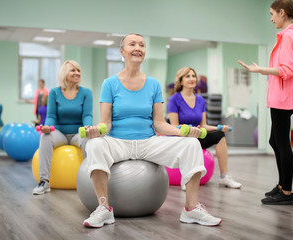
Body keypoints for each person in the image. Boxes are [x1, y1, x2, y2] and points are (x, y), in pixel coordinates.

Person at [82, 34, 221, 228]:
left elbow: (159, 123)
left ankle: (191, 209)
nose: (138, 47)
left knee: (191, 144)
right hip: (118, 142)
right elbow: (106, 123)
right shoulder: (110, 84)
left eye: (141, 45)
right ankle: (104, 209)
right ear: (122, 51)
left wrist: (184, 132)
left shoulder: (153, 84)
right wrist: (97, 130)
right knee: (94, 144)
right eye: (132, 44)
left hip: (148, 142)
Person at [238, 0, 293, 205]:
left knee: (282, 143)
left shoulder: (289, 37)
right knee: (274, 141)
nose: (271, 19)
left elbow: (287, 70)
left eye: (272, 14)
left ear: (282, 13)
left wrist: (259, 69)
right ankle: (281, 186)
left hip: (284, 98)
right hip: (284, 96)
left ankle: (287, 192)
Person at [168, 67, 241, 189]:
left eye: (193, 76)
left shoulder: (200, 100)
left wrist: (220, 128)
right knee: (190, 140)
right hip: (180, 138)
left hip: (197, 136)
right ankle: (187, 179)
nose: (192, 79)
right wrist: (189, 129)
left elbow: (203, 126)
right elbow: (174, 126)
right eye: (187, 76)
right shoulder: (174, 99)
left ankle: (224, 177)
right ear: (180, 81)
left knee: (219, 136)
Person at [32, 60, 93, 195]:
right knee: (45, 137)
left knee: (88, 141)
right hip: (59, 132)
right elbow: (51, 115)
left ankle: (91, 182)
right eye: (73, 70)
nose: (77, 73)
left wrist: (88, 126)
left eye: (78, 70)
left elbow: (87, 115)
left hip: (78, 132)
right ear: (64, 73)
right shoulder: (54, 92)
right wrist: (48, 126)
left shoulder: (86, 92)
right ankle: (44, 181)